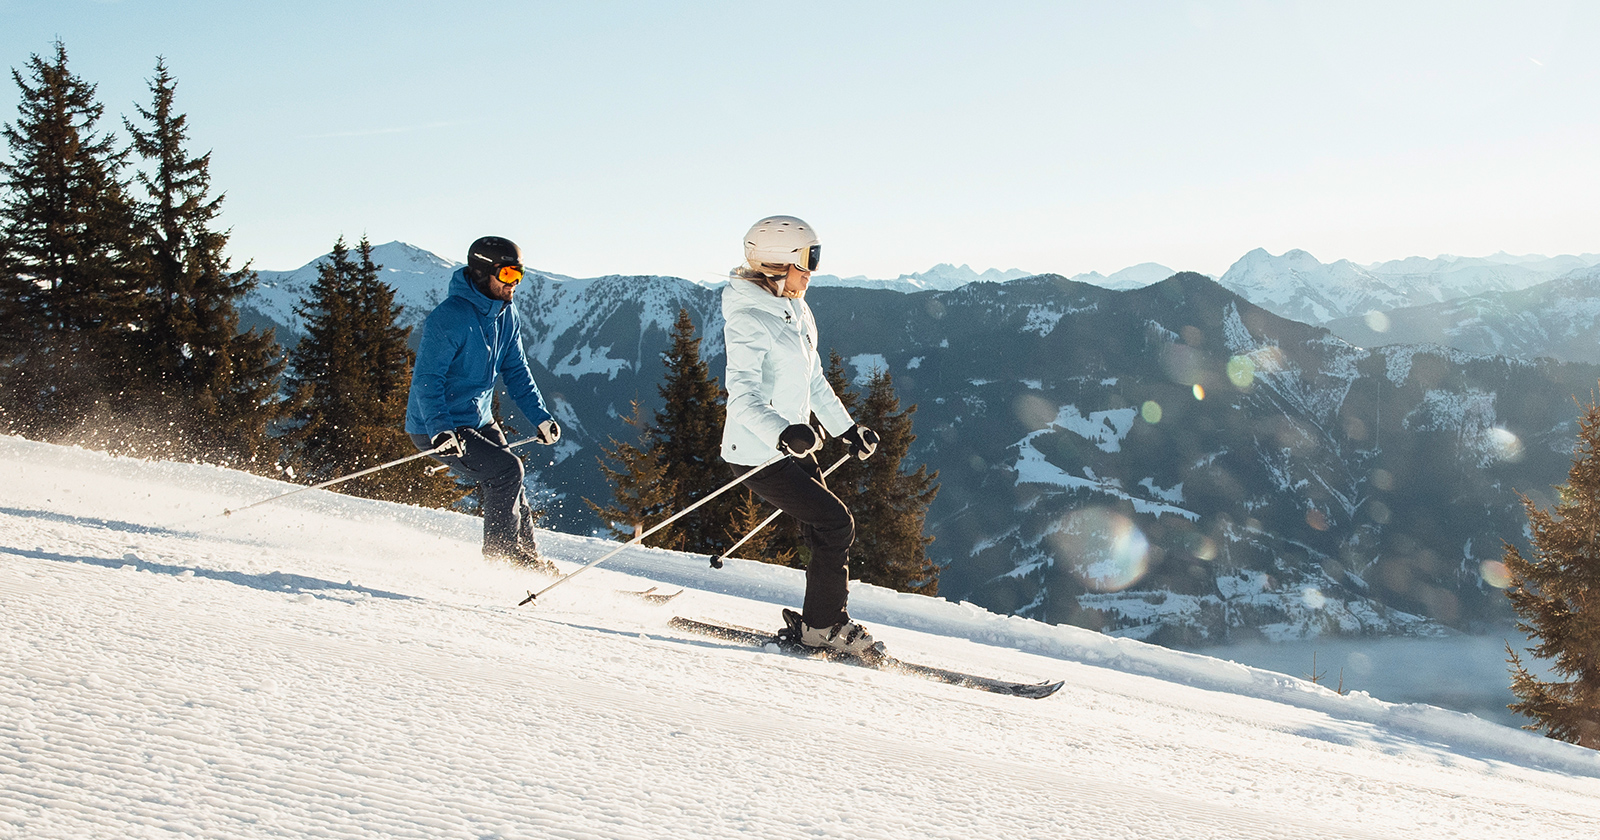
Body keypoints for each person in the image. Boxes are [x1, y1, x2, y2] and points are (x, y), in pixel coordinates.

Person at [721, 215, 883, 657]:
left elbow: (814, 382)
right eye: (808, 259)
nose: (813, 270)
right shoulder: (750, 319)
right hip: (758, 451)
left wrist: (847, 429)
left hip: (793, 446)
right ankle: (824, 625)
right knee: (835, 523)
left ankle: (820, 619)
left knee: (825, 528)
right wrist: (782, 432)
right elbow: (742, 398)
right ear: (779, 262)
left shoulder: (794, 309)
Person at [405, 236, 561, 572]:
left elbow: (516, 370)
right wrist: (439, 429)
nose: (514, 285)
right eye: (506, 275)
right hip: (439, 425)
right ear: (481, 274)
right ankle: (501, 557)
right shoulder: (449, 319)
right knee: (507, 472)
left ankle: (526, 561)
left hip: (478, 420)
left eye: (518, 275)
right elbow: (427, 379)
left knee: (514, 486)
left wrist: (540, 417)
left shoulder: (507, 314)